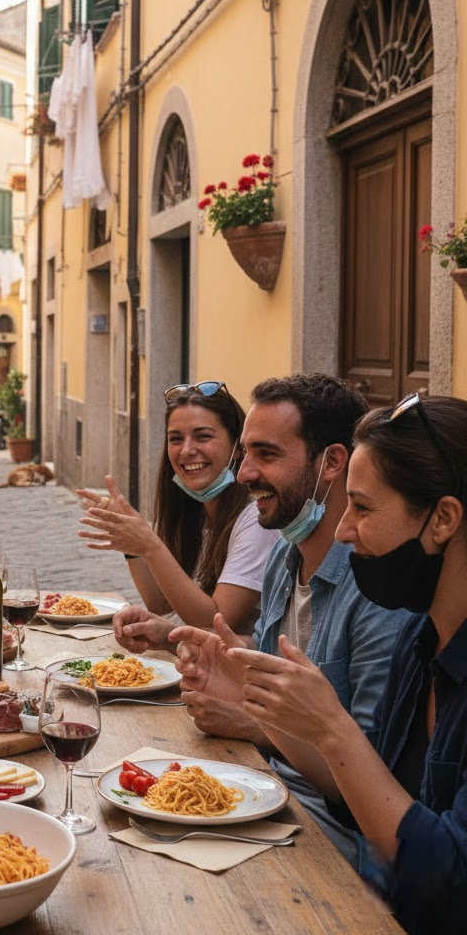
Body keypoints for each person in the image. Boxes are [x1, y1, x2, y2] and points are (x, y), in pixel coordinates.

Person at [223, 393, 467, 932]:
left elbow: (446, 895)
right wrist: (261, 701)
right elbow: (364, 813)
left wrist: (333, 731)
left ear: (443, 519)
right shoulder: (422, 642)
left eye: (362, 507)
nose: (342, 530)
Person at [170, 372, 410, 865]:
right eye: (245, 455)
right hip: (264, 794)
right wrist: (230, 676)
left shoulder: (378, 591)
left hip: (335, 846)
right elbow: (261, 684)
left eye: (267, 455)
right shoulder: (284, 555)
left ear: (332, 462)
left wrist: (255, 720)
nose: (244, 474)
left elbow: (368, 786)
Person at [77, 381, 278, 651]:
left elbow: (215, 622)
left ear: (237, 447)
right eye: (176, 439)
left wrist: (150, 544)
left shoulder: (255, 518)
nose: (186, 450)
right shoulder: (196, 511)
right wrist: (133, 546)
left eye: (203, 436)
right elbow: (160, 604)